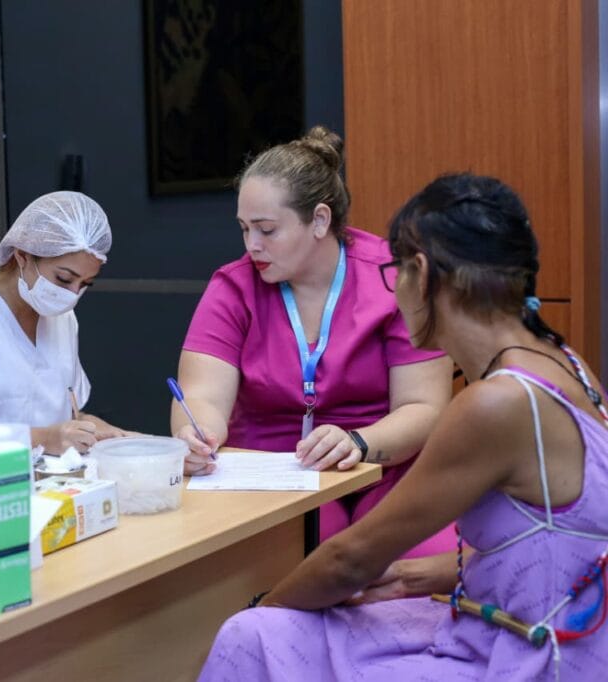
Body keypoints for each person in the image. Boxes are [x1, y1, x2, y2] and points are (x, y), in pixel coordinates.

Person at [198, 173, 608, 681]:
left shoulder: (495, 404)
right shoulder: (565, 362)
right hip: (561, 633)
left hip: (535, 654)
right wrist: (413, 576)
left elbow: (351, 559)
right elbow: (559, 542)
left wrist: (265, 604)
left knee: (254, 633)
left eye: (395, 273)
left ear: (422, 273)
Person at [174, 126, 454, 556]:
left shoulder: (393, 278)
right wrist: (198, 436)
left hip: (382, 463)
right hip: (274, 475)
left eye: (267, 230)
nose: (251, 245)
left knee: (423, 560)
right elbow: (200, 396)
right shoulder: (233, 287)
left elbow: (424, 407)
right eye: (244, 229)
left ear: (320, 220)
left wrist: (358, 442)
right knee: (305, 555)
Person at [0, 191, 131, 454]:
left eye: (85, 283)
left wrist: (100, 431)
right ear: (22, 256)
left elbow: (69, 415)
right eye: (64, 279)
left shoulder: (62, 318)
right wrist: (43, 439)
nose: (72, 294)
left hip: (55, 474)